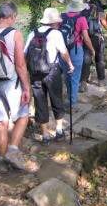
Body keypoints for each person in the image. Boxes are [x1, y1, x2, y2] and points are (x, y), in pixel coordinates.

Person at [0, 2, 39, 173]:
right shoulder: (15, 34)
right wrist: (27, 88)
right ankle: (13, 150)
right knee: (23, 115)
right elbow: (20, 64)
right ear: (12, 16)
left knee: (1, 123)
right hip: (10, 82)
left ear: (0, 15)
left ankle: (2, 161)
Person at [24, 8, 74, 145]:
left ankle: (45, 135)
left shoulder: (32, 33)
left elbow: (25, 53)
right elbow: (63, 52)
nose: (59, 24)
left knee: (40, 102)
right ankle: (58, 131)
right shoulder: (56, 34)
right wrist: (70, 65)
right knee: (56, 99)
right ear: (54, 22)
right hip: (52, 72)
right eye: (58, 22)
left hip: (35, 74)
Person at [62, 0, 95, 106]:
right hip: (76, 49)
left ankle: (69, 97)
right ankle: (72, 103)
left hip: (63, 50)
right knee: (75, 77)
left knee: (67, 75)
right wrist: (92, 50)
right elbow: (86, 38)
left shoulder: (62, 17)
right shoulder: (81, 19)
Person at [80, 0, 107, 92]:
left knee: (86, 60)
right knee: (99, 59)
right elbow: (106, 25)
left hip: (86, 38)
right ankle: (101, 81)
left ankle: (83, 83)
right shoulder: (100, 12)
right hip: (97, 38)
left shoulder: (84, 11)